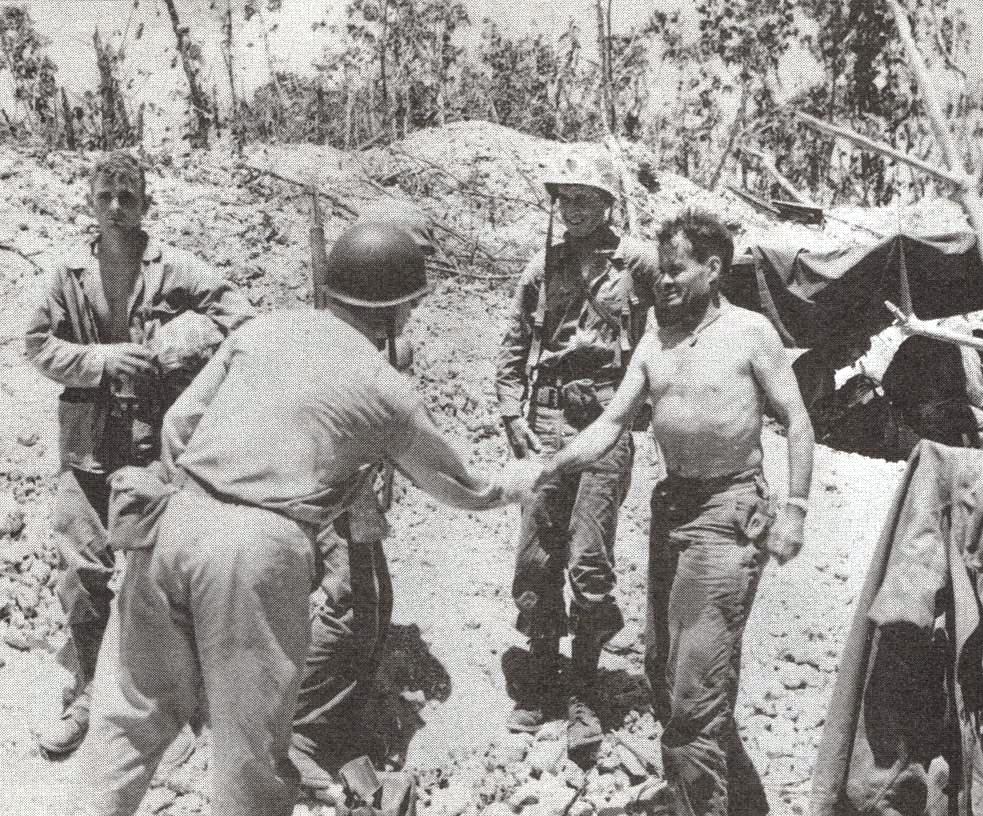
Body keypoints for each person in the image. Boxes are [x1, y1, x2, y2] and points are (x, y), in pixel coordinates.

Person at [76, 222, 540, 816]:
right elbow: (463, 488)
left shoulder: (266, 329)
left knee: (129, 724)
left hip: (172, 520)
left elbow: (177, 426)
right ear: (405, 307)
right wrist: (518, 485)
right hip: (255, 549)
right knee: (250, 757)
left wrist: (208, 497)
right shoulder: (385, 390)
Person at [534, 210, 814, 816]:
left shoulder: (749, 333)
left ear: (713, 270)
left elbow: (797, 421)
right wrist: (546, 467)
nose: (663, 281)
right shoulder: (654, 335)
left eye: (678, 270)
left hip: (730, 510)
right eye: (661, 270)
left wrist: (794, 508)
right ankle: (730, 803)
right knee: (664, 673)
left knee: (695, 689)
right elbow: (611, 422)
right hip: (673, 509)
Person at [23, 151, 252, 758]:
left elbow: (236, 312)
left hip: (154, 448)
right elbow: (36, 344)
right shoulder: (68, 274)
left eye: (129, 197)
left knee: (161, 576)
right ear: (91, 204)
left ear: (147, 204)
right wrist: (101, 362)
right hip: (87, 449)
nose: (118, 208)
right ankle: (81, 696)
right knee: (81, 576)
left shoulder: (171, 266)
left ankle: (172, 700)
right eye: (107, 197)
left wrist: (181, 341)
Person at [495, 151, 658, 749]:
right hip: (546, 416)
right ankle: (540, 677)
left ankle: (585, 691)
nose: (573, 210)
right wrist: (512, 412)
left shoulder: (636, 266)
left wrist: (657, 259)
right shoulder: (541, 268)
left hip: (606, 421)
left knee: (589, 560)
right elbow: (515, 343)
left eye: (586, 199)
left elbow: (694, 292)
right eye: (565, 199)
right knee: (537, 556)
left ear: (609, 204)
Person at [289, 197, 436, 792]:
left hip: (356, 489)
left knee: (375, 601)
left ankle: (344, 714)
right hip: (321, 489)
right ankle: (298, 726)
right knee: (349, 605)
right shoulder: (330, 335)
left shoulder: (384, 335)